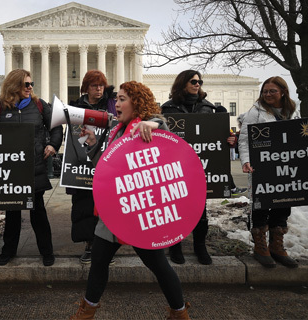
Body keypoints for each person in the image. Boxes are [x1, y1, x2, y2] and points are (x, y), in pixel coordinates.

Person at [70, 81, 190, 320]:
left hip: (140, 212)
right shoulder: (119, 130)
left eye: (123, 99)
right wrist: (93, 145)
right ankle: (86, 312)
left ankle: (180, 313)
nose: (117, 104)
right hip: (115, 211)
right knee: (99, 263)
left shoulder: (147, 127)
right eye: (118, 99)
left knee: (158, 265)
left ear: (137, 103)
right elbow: (106, 168)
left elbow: (164, 130)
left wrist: (153, 123)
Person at [0, 69, 63, 267]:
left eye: (31, 84)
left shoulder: (39, 105)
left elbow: (56, 126)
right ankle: (8, 251)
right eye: (26, 84)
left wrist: (52, 145)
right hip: (10, 168)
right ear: (15, 86)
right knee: (12, 212)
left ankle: (47, 251)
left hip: (33, 165)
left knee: (38, 212)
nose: (30, 88)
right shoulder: (1, 107)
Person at [238, 76, 299, 269]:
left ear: (283, 91)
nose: (268, 94)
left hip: (287, 165)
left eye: (272, 91)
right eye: (265, 91)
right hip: (262, 166)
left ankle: (277, 246)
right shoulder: (255, 112)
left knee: (283, 204)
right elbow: (245, 138)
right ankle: (260, 247)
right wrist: (246, 160)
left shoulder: (293, 111)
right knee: (262, 204)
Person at [161, 70, 215, 265]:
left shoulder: (208, 108)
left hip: (200, 166)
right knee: (175, 207)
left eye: (200, 81)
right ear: (183, 83)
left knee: (200, 210)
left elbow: (213, 137)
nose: (197, 84)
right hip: (176, 166)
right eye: (193, 81)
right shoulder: (168, 108)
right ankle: (175, 246)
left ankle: (200, 246)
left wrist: (228, 139)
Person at [68, 69, 117, 264]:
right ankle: (89, 245)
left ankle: (106, 248)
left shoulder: (112, 104)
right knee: (85, 204)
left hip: (107, 161)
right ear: (86, 88)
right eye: (94, 86)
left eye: (101, 85)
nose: (99, 89)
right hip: (84, 162)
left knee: (106, 206)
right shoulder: (77, 107)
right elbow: (73, 135)